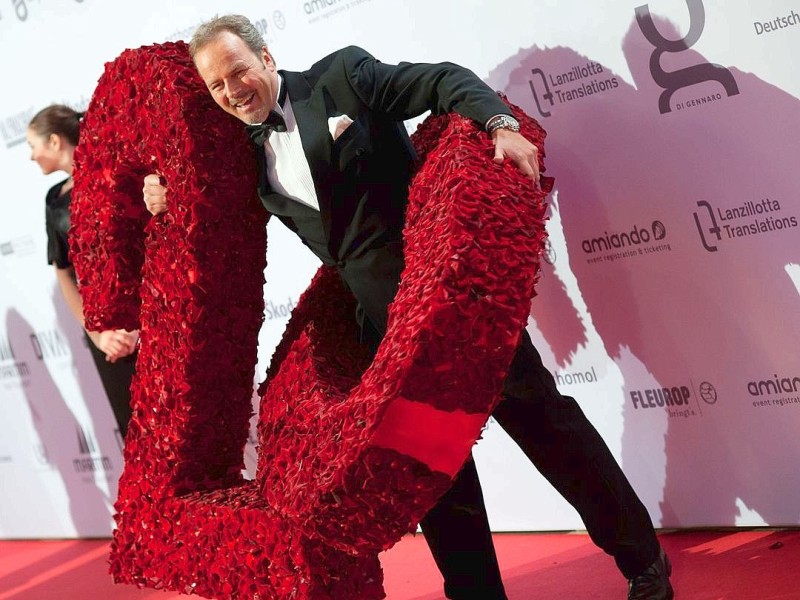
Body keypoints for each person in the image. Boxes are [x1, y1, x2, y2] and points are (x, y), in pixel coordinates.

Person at [142, 15, 674, 600]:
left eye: (237, 71)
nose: (232, 91)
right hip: (384, 336)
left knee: (547, 426)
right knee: (434, 481)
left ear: (266, 59)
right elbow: (212, 219)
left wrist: (498, 123)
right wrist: (165, 193)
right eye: (217, 86)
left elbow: (441, 80)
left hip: (453, 308)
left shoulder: (341, 77)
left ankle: (643, 562)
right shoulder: (243, 157)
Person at [27, 104, 138, 439]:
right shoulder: (54, 200)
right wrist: (98, 334)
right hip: (106, 342)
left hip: (150, 327)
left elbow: (148, 251)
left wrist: (138, 327)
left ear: (56, 142)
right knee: (134, 436)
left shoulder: (114, 176)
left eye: (34, 146)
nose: (31, 156)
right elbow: (64, 274)